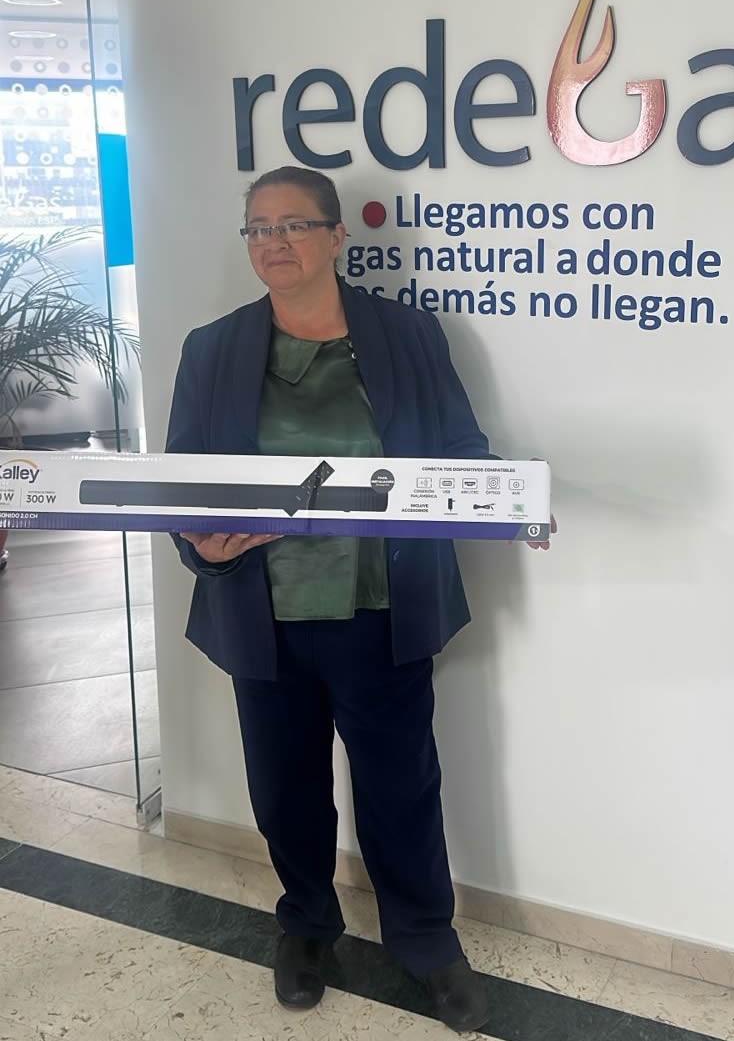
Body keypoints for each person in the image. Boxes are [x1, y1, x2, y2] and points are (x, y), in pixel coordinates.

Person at [166, 166, 552, 1034]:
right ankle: (307, 926)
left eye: (293, 225)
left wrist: (509, 501)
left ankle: (426, 942)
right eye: (259, 228)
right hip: (264, 610)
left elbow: (460, 446)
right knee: (284, 788)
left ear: (337, 236)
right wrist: (197, 543)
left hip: (382, 605)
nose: (274, 243)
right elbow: (185, 482)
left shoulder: (407, 334)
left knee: (400, 786)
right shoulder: (212, 348)